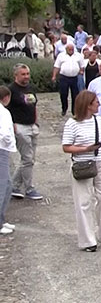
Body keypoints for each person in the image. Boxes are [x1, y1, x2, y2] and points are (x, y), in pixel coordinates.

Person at [62, 90, 101, 252]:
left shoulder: (99, 120)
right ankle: (87, 240)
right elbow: (66, 147)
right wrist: (86, 148)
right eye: (96, 102)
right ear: (88, 105)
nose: (99, 104)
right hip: (82, 165)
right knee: (83, 202)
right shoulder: (72, 124)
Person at [8, 64, 43, 200]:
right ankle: (29, 189)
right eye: (23, 74)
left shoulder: (30, 88)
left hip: (32, 126)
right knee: (27, 159)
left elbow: (34, 105)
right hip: (20, 127)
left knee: (28, 160)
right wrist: (12, 125)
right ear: (16, 75)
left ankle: (14, 186)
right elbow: (6, 109)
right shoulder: (11, 90)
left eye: (27, 74)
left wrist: (36, 122)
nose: (26, 77)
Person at [51, 42, 85, 116]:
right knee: (63, 93)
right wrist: (54, 76)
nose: (71, 50)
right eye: (69, 49)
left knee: (75, 95)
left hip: (75, 77)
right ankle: (64, 108)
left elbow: (82, 66)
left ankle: (74, 110)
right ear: (66, 49)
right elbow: (57, 66)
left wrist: (81, 71)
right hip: (64, 77)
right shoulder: (61, 56)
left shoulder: (78, 56)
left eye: (72, 49)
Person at [0, 87, 16, 235]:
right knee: (2, 185)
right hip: (2, 149)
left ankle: (2, 218)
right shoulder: (4, 112)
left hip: (3, 149)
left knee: (8, 183)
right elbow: (5, 132)